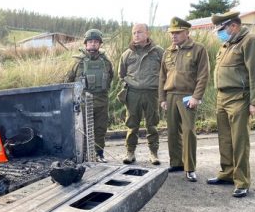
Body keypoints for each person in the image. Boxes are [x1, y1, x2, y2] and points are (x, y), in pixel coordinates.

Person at [207, 11, 255, 198]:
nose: (219, 33)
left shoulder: (250, 41)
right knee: (225, 138)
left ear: (233, 26)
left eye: (221, 28)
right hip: (222, 97)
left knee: (240, 141)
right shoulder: (227, 44)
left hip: (239, 97)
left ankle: (242, 181)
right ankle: (227, 173)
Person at [159, 17, 209, 182]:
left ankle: (190, 168)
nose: (174, 36)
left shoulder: (198, 49)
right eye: (172, 33)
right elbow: (162, 77)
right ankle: (176, 163)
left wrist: (197, 96)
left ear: (187, 32)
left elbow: (203, 75)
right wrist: (162, 98)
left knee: (188, 131)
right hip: (171, 95)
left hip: (188, 96)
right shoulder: (168, 51)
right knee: (172, 131)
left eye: (177, 32)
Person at [66, 29, 114, 163]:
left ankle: (99, 154)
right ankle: (84, 155)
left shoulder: (106, 62)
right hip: (83, 102)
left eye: (96, 42)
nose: (93, 44)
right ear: (86, 44)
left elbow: (110, 78)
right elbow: (68, 82)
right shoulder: (77, 62)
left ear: (100, 44)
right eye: (90, 41)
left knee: (100, 129)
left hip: (102, 101)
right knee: (83, 130)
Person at [118, 23, 164, 165]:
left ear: (147, 33)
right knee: (132, 125)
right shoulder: (127, 54)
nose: (136, 35)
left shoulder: (158, 52)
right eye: (134, 33)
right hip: (133, 94)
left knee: (152, 124)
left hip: (152, 93)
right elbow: (122, 74)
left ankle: (153, 153)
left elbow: (166, 72)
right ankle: (130, 152)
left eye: (140, 32)